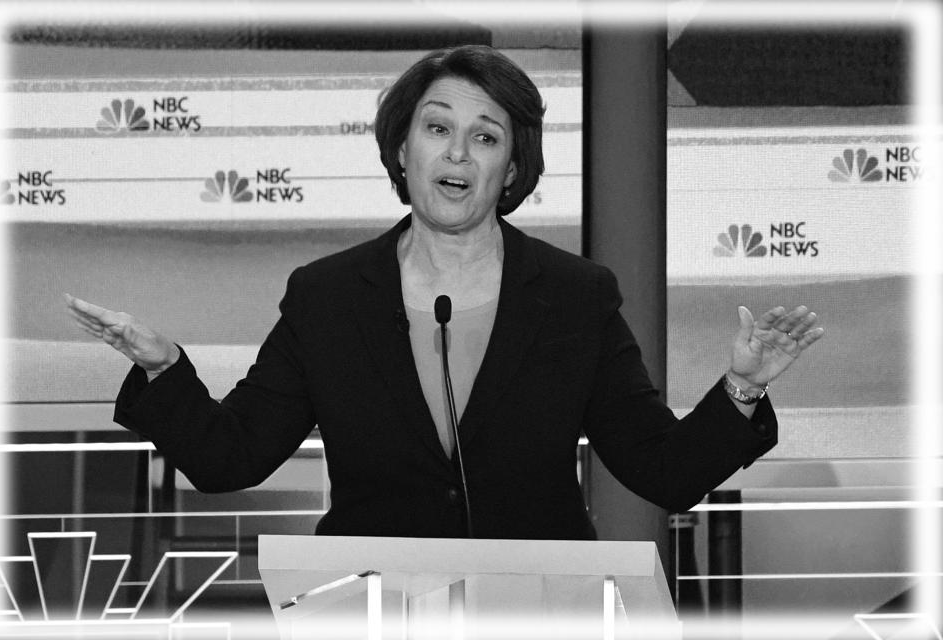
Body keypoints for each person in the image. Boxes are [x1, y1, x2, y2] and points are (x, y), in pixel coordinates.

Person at [66, 45, 822, 540]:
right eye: (437, 128)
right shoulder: (329, 297)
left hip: (534, 608)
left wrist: (741, 391)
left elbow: (662, 470)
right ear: (402, 148)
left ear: (513, 169)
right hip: (369, 607)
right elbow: (232, 458)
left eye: (486, 137)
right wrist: (165, 369)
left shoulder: (574, 297)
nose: (458, 152)